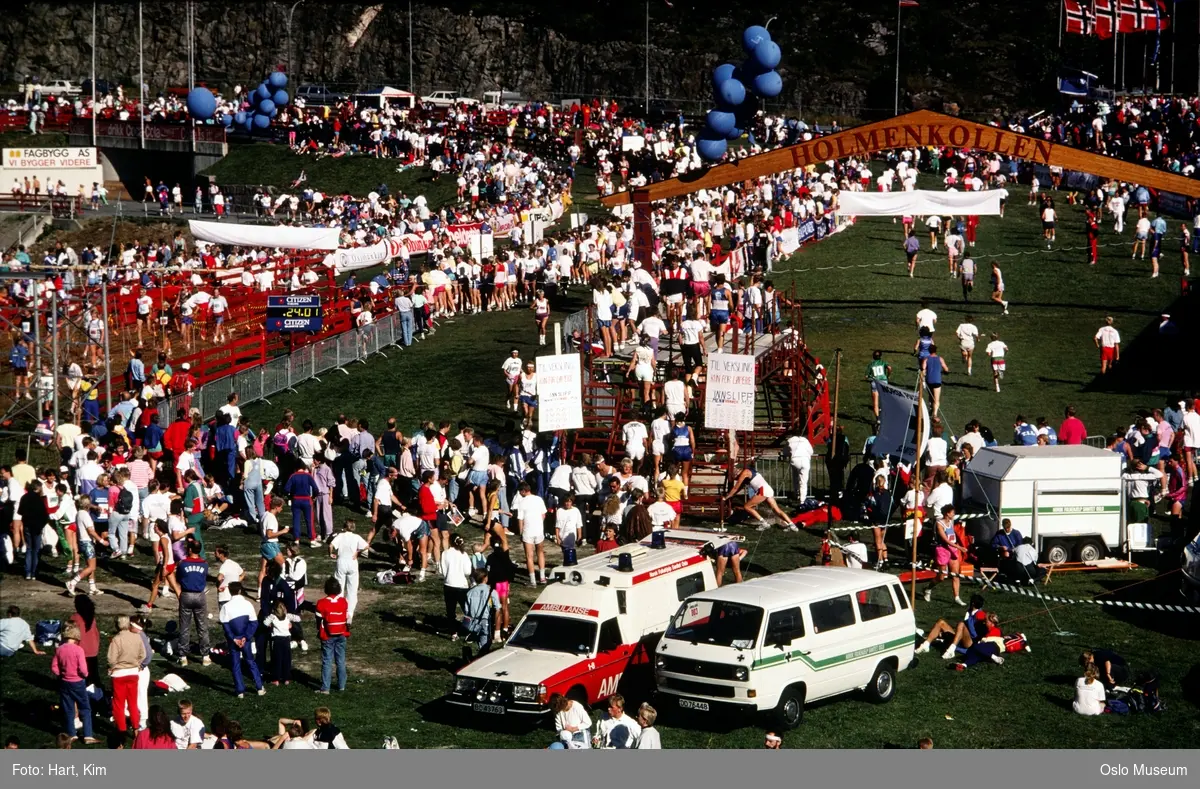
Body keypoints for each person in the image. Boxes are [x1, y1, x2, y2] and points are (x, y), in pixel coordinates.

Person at [52, 623, 98, 744]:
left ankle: (72, 734)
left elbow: (54, 667)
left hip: (64, 682)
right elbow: (83, 668)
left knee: (68, 708)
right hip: (78, 682)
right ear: (77, 636)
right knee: (85, 708)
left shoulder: (59, 649)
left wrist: (61, 674)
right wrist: (85, 675)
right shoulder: (78, 650)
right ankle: (88, 735)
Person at [218, 582, 265, 699]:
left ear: (230, 592)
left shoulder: (226, 607)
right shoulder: (247, 604)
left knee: (235, 664)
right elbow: (254, 623)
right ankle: (259, 687)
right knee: (250, 661)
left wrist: (234, 639)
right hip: (245, 639)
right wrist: (246, 637)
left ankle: (240, 691)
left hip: (233, 640)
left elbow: (226, 626)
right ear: (240, 591)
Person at [722, 464, 794, 530]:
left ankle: (764, 523)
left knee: (747, 507)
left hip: (762, 490)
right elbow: (738, 489)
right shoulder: (748, 472)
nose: (736, 478)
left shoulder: (745, 472)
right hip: (767, 489)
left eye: (735, 477)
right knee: (777, 510)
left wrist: (726, 497)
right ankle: (792, 525)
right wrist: (730, 495)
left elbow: (735, 488)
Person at [175, 539, 211, 667]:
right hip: (200, 595)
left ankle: (183, 656)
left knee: (184, 626)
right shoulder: (205, 564)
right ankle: (205, 656)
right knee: (202, 626)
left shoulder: (182, 564)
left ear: (189, 550)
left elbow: (178, 578)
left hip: (186, 594)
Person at [922, 505, 966, 606]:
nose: (954, 514)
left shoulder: (950, 522)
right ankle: (928, 589)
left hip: (952, 549)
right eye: (953, 512)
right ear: (947, 513)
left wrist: (958, 546)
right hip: (942, 550)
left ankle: (957, 597)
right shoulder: (939, 524)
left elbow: (953, 537)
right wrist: (959, 548)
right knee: (941, 577)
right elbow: (945, 540)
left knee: (955, 574)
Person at [329, 519, 368, 625]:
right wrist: (357, 553)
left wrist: (331, 553)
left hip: (341, 562)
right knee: (352, 589)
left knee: (339, 588)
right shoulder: (356, 537)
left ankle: (339, 611)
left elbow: (331, 545)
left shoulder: (340, 536)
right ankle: (349, 614)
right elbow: (366, 546)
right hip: (352, 563)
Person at [315, 577, 350, 694]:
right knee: (340, 660)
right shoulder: (343, 602)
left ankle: (325, 688)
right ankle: (341, 686)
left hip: (327, 636)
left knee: (327, 661)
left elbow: (318, 620)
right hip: (341, 634)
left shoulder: (321, 603)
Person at [514, 482, 548, 585]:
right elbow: (543, 515)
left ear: (523, 491)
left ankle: (533, 580)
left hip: (528, 531)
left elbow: (520, 519)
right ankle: (542, 577)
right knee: (540, 553)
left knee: (529, 556)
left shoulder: (521, 502)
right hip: (538, 530)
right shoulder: (539, 499)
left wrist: (520, 532)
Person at [263, 601, 300, 686]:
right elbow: (298, 618)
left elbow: (265, 623)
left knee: (277, 659)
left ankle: (276, 679)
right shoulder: (287, 616)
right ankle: (286, 678)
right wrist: (290, 623)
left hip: (277, 640)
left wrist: (271, 625)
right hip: (286, 640)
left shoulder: (273, 617)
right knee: (286, 659)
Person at [922, 344, 948, 417]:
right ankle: (935, 414)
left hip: (929, 380)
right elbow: (946, 369)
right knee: (936, 399)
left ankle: (930, 407)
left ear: (929, 351)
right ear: (936, 351)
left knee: (930, 396)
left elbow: (923, 369)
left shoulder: (926, 359)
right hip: (937, 380)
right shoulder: (940, 359)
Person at [865, 350, 891, 418]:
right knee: (885, 399)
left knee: (875, 403)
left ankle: (878, 419)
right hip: (884, 381)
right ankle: (886, 415)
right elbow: (889, 368)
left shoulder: (871, 364)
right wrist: (888, 375)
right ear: (880, 356)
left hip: (875, 382)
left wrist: (870, 379)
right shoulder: (883, 362)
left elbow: (866, 376)